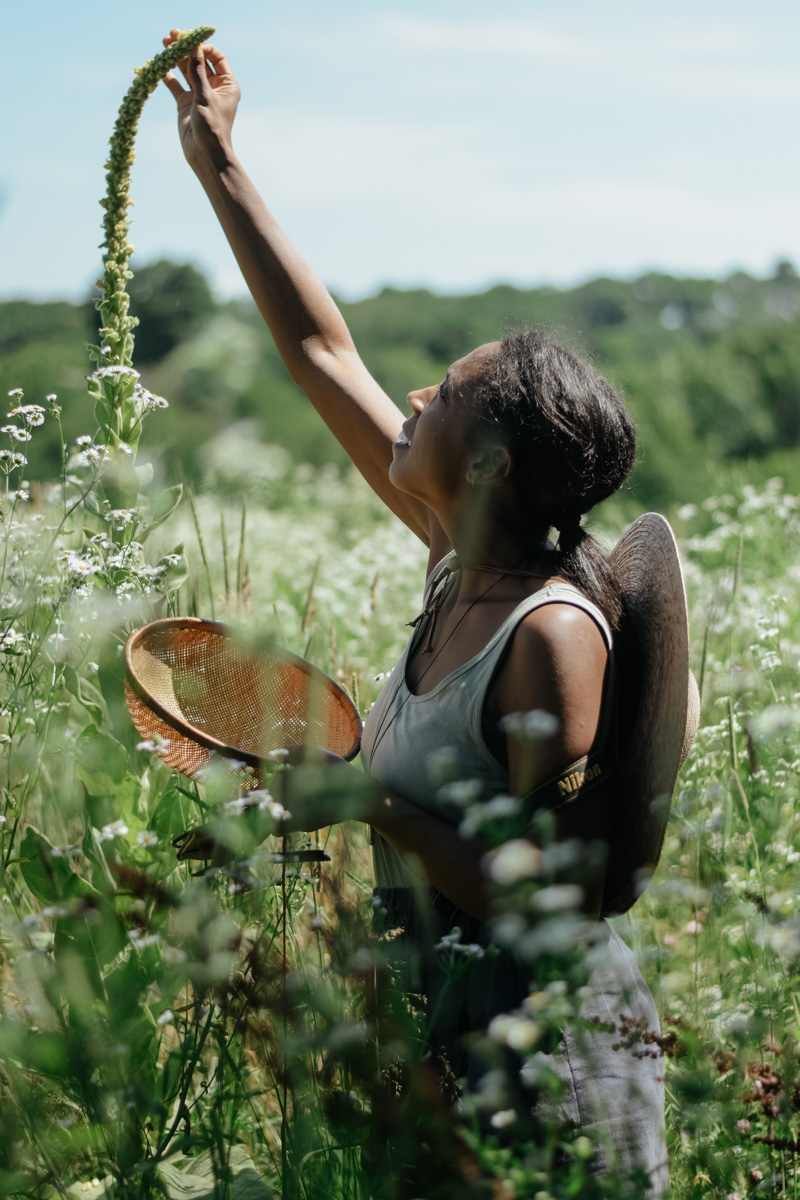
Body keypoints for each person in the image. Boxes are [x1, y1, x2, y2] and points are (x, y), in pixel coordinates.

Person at [163, 32, 671, 1195]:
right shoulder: (457, 566)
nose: (410, 394)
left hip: (552, 1070)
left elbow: (547, 903)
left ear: (488, 461)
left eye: (442, 392)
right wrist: (219, 163)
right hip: (446, 1037)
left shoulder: (545, 634)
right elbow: (316, 349)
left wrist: (369, 801)